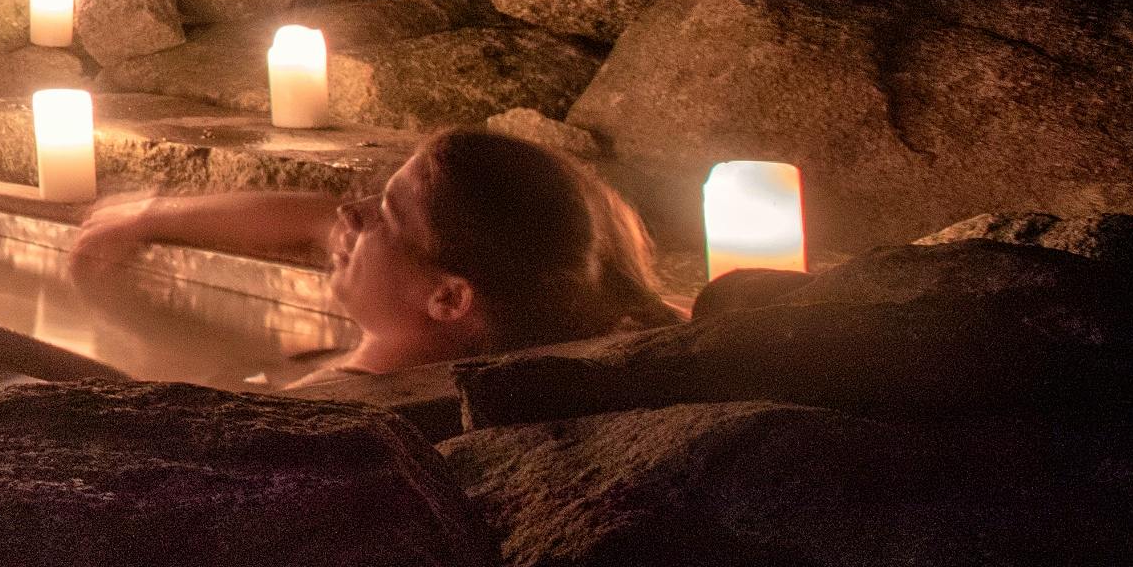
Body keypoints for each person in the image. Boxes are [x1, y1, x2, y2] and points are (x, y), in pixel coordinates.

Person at [67, 126, 676, 376]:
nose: (345, 214)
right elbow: (307, 219)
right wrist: (145, 218)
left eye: (382, 214)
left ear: (448, 296)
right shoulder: (534, 308)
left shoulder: (341, 409)